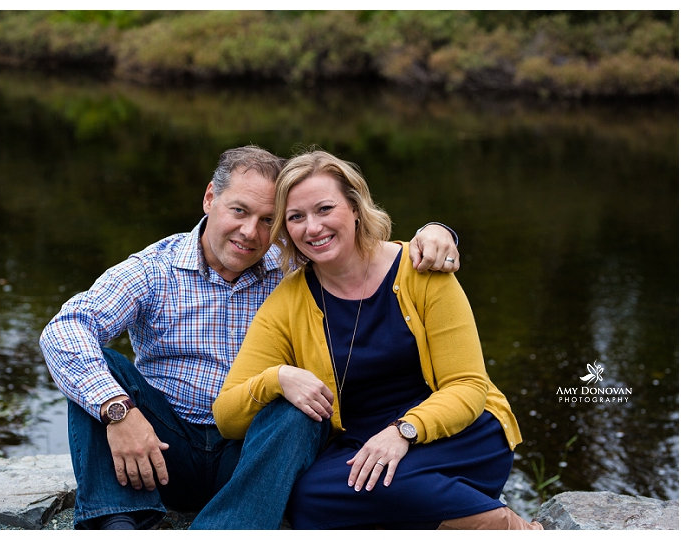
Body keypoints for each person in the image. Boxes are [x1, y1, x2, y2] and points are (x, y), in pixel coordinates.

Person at [39, 145, 461, 530]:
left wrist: (436, 232)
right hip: (163, 447)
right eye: (238, 211)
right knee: (101, 373)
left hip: (250, 452)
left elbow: (360, 250)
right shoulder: (155, 268)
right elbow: (64, 329)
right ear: (210, 199)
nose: (250, 233)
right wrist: (120, 413)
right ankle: (118, 524)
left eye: (267, 221)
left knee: (301, 410)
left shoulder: (295, 269)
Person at [211, 149, 542, 529]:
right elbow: (227, 417)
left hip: (457, 431)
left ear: (354, 206)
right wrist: (277, 378)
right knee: (307, 498)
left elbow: (467, 386)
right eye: (296, 217)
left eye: (324, 209)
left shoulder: (421, 272)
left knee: (374, 489)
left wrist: (404, 430)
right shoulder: (288, 300)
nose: (312, 228)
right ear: (286, 229)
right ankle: (482, 518)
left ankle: (507, 527)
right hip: (362, 443)